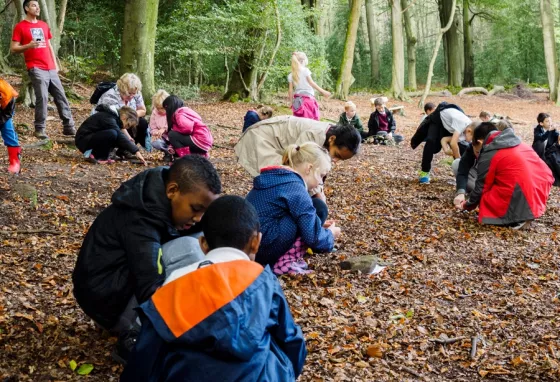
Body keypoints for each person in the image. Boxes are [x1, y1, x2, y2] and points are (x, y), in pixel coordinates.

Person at [121, 195, 307, 381]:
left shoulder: (174, 284)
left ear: (203, 244)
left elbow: (145, 356)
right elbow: (292, 342)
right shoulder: (262, 281)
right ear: (256, 241)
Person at [72, 156, 221, 363]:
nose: (198, 218)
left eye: (205, 211)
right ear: (172, 191)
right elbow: (149, 285)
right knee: (191, 250)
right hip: (109, 303)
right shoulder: (139, 218)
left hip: (122, 290)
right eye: (196, 209)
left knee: (206, 240)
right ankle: (135, 337)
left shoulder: (164, 199)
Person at [246, 143, 341, 275]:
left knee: (309, 213)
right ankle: (283, 262)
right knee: (313, 210)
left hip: (249, 245)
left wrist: (317, 224)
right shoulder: (295, 188)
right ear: (309, 168)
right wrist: (330, 234)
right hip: (263, 247)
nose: (320, 182)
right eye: (321, 175)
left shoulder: (277, 178)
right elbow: (313, 237)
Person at [455, 123, 554, 229]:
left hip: (521, 190)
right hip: (541, 186)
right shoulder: (517, 142)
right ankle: (524, 213)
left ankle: (517, 218)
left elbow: (482, 186)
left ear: (479, 142)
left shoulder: (490, 152)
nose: (478, 153)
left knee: (485, 196)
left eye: (477, 149)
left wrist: (467, 205)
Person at [10, 0, 76, 139]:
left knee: (61, 96)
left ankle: (69, 127)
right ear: (27, 8)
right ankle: (40, 129)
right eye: (34, 5)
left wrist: (56, 64)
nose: (37, 8)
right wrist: (28, 46)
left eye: (38, 5)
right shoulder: (20, 27)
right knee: (43, 97)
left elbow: (49, 45)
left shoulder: (43, 25)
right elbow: (13, 48)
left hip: (50, 67)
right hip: (35, 67)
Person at [235, 115, 361, 178]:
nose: (335, 160)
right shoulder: (314, 135)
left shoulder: (332, 135)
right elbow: (299, 167)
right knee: (278, 178)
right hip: (261, 138)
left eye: (341, 159)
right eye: (337, 155)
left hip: (278, 144)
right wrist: (317, 193)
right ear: (332, 139)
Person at [411, 102, 471, 184]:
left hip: (449, 125)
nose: (470, 140)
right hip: (438, 119)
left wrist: (446, 150)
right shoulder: (462, 123)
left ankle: (462, 176)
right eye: (472, 138)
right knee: (431, 141)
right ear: (469, 131)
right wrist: (459, 163)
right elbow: (453, 144)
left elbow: (445, 139)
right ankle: (424, 173)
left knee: (462, 146)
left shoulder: (467, 131)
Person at [95, 73, 150, 157]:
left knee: (141, 123)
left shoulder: (137, 93)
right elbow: (114, 120)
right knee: (115, 127)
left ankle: (124, 149)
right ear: (122, 89)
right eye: (129, 93)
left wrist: (130, 116)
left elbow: (142, 110)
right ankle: (109, 148)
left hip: (124, 121)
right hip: (108, 124)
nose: (131, 96)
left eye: (133, 93)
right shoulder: (110, 96)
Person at [75, 105, 147, 165]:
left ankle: (103, 156)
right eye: (127, 125)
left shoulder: (114, 118)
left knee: (115, 134)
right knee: (113, 133)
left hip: (91, 138)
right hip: (83, 140)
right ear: (124, 117)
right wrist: (136, 151)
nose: (126, 127)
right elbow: (119, 135)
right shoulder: (109, 118)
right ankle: (98, 156)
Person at [288, 51, 331, 120]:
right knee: (311, 123)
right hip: (308, 100)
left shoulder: (291, 75)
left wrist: (290, 102)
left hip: (297, 101)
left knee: (299, 122)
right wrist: (323, 91)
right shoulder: (305, 70)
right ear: (303, 61)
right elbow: (311, 83)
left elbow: (290, 90)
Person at [0, 79, 21, 173]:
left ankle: (15, 162)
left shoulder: (7, 92)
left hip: (4, 112)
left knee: (8, 130)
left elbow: (8, 113)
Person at [149, 89, 170, 159]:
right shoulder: (154, 113)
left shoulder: (171, 112)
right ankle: (167, 152)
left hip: (171, 136)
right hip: (162, 138)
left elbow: (173, 124)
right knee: (155, 142)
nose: (160, 110)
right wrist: (156, 133)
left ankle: (174, 151)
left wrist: (164, 129)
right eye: (158, 108)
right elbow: (152, 127)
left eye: (162, 108)